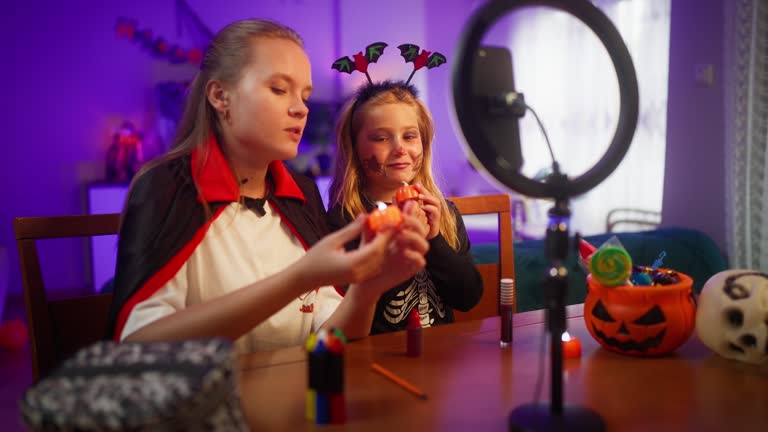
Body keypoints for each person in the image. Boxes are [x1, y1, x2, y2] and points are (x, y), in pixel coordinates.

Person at [105, 19, 429, 353]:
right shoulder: (166, 188)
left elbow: (331, 333)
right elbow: (138, 343)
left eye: (305, 96)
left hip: (297, 398)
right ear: (220, 96)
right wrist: (298, 279)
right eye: (278, 89)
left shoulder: (300, 194)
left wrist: (367, 287)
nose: (300, 108)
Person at [327, 80, 483, 334]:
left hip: (440, 357)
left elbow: (468, 298)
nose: (399, 148)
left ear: (424, 143)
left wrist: (434, 239)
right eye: (380, 138)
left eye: (410, 136)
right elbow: (346, 317)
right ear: (354, 148)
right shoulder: (346, 222)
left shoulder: (445, 213)